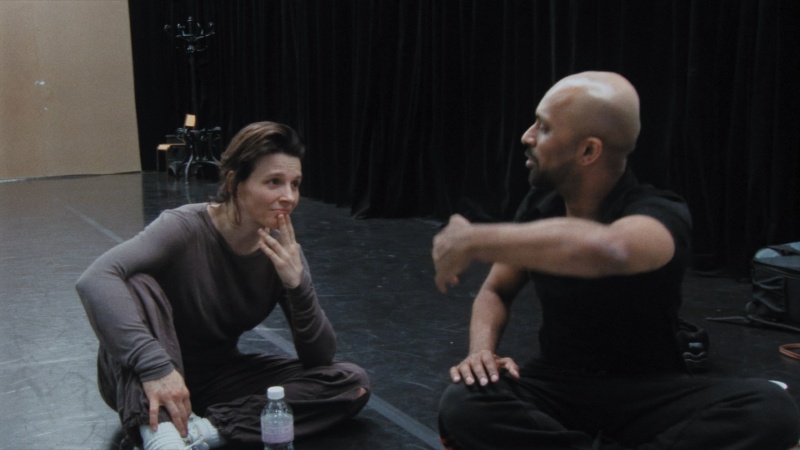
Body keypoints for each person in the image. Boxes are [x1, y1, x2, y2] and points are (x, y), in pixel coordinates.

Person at [432, 71, 799, 449]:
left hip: (652, 392)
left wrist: (475, 239)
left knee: (771, 409)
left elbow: (608, 250)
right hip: (559, 385)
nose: (527, 136)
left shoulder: (660, 213)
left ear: (588, 151)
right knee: (463, 403)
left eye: (543, 127)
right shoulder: (541, 205)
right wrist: (481, 351)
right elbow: (496, 289)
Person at [76, 121, 370, 450]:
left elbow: (320, 359)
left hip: (215, 378)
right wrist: (155, 367)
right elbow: (95, 278)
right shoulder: (184, 227)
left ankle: (202, 432)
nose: (288, 197)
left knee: (350, 382)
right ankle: (160, 435)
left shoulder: (282, 253)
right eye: (274, 182)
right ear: (234, 183)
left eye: (295, 184)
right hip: (141, 377)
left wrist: (297, 285)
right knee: (136, 281)